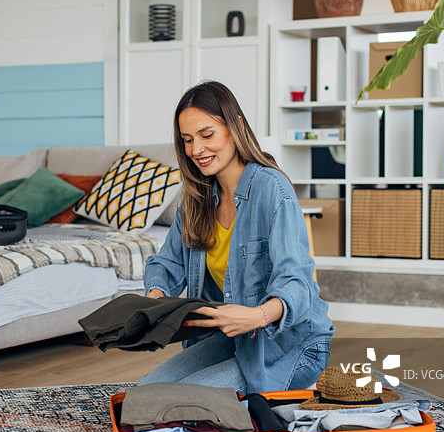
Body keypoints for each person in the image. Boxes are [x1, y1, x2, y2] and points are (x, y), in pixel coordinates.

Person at [140, 81, 335, 394]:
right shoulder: (196, 197)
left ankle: (287, 390)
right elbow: (167, 263)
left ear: (236, 127)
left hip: (288, 345)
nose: (196, 150)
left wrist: (257, 316)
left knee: (181, 403)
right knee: (146, 393)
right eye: (188, 140)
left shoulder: (272, 190)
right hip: (230, 338)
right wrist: (156, 296)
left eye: (207, 135)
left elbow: (299, 284)